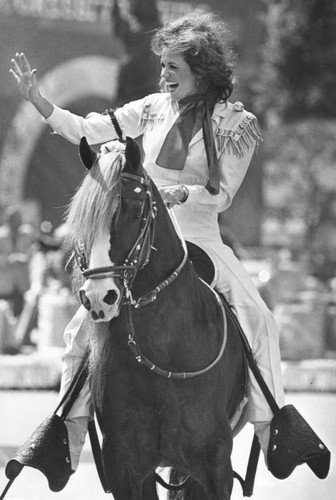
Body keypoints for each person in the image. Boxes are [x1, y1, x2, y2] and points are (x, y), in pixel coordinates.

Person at [10, 12, 284, 472]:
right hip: (145, 237)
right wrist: (40, 101)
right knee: (79, 330)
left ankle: (276, 430)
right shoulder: (152, 107)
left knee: (261, 321)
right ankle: (61, 439)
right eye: (162, 66)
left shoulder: (239, 124)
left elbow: (222, 193)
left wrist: (181, 192)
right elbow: (89, 130)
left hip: (198, 233)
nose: (163, 75)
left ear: (201, 69)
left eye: (172, 67)